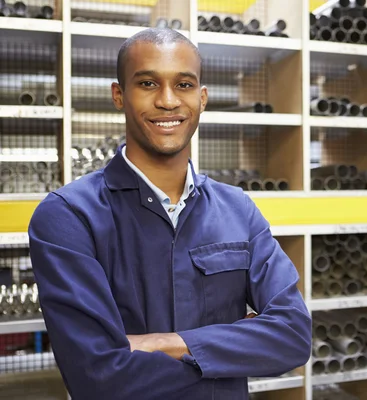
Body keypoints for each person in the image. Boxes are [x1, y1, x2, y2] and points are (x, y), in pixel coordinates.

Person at [27, 28, 312, 400]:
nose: (167, 100)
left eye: (184, 85)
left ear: (202, 98)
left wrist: (161, 343)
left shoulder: (238, 209)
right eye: (147, 83)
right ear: (119, 95)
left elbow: (292, 336)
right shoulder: (68, 217)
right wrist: (235, 350)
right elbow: (97, 376)